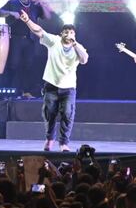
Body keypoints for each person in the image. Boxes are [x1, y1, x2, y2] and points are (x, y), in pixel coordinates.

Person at [19, 11, 88, 152]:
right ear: (62, 33)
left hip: (68, 88)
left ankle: (63, 143)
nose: (69, 34)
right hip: (51, 85)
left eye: (72, 32)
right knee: (49, 113)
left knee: (67, 114)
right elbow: (39, 31)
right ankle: (50, 139)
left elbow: (84, 59)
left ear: (74, 35)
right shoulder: (54, 41)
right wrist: (27, 21)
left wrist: (75, 44)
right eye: (66, 32)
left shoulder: (78, 47)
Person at [0, 0, 52, 97]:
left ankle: (27, 92)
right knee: (13, 65)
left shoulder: (35, 5)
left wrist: (43, 5)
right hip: (15, 39)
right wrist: (11, 13)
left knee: (29, 66)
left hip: (30, 40)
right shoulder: (12, 3)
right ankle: (8, 91)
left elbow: (47, 17)